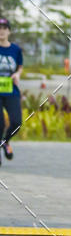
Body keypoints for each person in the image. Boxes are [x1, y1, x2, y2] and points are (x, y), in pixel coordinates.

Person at [0, 17, 23, 165]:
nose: (1, 31)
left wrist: (17, 75)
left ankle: (5, 142)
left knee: (16, 122)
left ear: (9, 31)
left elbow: (19, 66)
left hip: (11, 90)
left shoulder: (16, 49)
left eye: (4, 28)